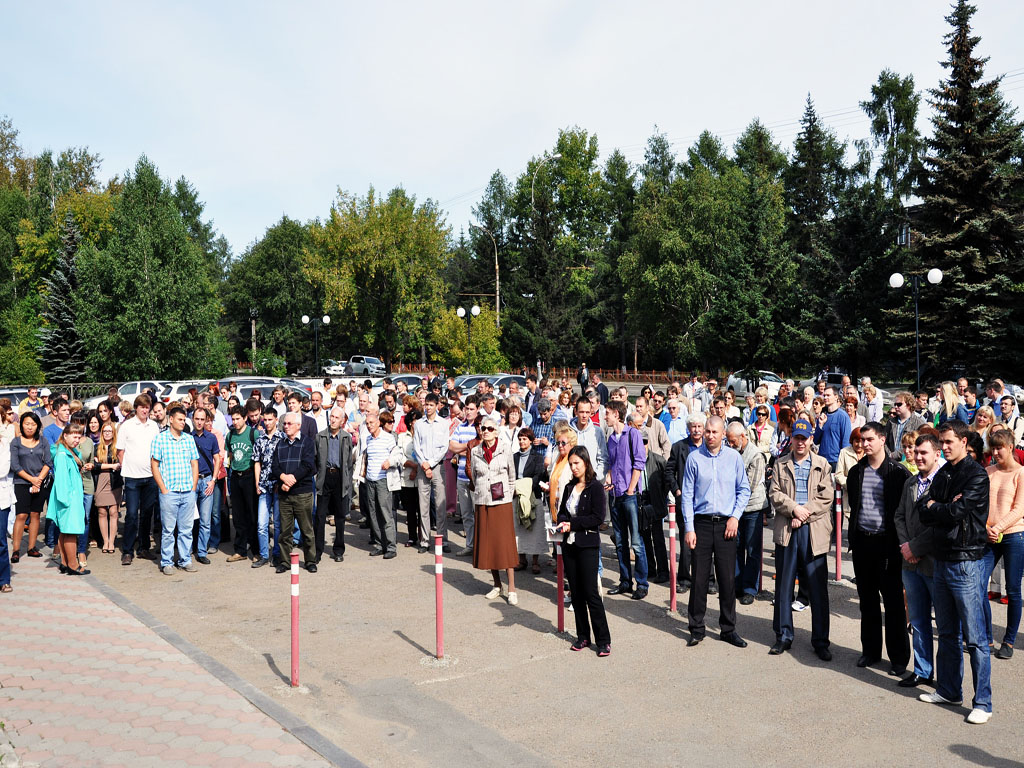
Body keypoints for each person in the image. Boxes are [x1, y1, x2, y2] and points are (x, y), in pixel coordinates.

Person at [918, 419, 992, 724]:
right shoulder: (944, 472)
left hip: (966, 561)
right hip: (942, 559)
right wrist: (940, 505)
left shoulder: (976, 475)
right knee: (947, 632)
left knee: (975, 638)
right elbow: (924, 509)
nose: (943, 447)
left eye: (948, 442)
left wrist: (940, 506)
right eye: (942, 442)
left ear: (964, 441)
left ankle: (983, 702)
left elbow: (956, 513)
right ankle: (949, 689)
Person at [846, 421, 911, 673]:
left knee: (893, 604)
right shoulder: (856, 471)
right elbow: (856, 505)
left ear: (883, 440)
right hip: (863, 543)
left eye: (870, 439)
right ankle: (870, 652)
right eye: (862, 440)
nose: (864, 444)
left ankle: (898, 659)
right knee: (868, 601)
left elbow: (904, 513)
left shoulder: (897, 473)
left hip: (888, 546)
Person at [681, 415, 751, 648]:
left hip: (726, 526)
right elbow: (687, 496)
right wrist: (689, 528)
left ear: (723, 434)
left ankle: (728, 628)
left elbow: (744, 490)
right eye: (707, 431)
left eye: (714, 432)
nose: (709, 435)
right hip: (700, 524)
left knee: (727, 579)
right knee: (699, 578)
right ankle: (696, 628)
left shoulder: (733, 458)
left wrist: (735, 517)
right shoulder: (694, 459)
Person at [767, 417, 834, 659]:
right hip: (787, 529)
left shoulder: (823, 464)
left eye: (804, 438)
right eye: (797, 437)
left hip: (813, 529)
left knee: (817, 588)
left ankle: (820, 641)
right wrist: (794, 508)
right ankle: (783, 635)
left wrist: (803, 515)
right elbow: (774, 494)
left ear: (811, 439)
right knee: (784, 585)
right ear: (792, 438)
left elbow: (826, 497)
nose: (800, 442)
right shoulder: (780, 464)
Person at [894, 432, 942, 688]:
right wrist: (905, 546)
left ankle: (945, 678)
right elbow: (899, 516)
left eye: (924, 453)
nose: (919, 457)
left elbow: (939, 524)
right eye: (916, 452)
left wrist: (916, 547)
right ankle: (922, 670)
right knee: (918, 620)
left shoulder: (945, 483)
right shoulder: (910, 482)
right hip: (909, 561)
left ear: (937, 454)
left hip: (933, 561)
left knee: (944, 625)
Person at [554, 445, 610, 656]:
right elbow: (561, 513)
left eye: (577, 463)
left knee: (591, 593)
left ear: (586, 462)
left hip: (588, 545)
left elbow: (597, 518)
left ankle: (603, 640)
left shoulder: (595, 487)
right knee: (576, 594)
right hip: (569, 545)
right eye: (571, 464)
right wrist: (561, 522)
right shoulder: (569, 487)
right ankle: (583, 636)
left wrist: (572, 524)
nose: (574, 467)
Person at [981, 428, 1024, 659]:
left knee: (1014, 589)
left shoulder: (1021, 473)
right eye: (993, 447)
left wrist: (998, 527)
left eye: (1000, 447)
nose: (995, 452)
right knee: (979, 586)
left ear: (1010, 447)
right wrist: (987, 527)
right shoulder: (988, 471)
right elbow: (981, 504)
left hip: (1014, 535)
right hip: (989, 535)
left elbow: (1019, 508)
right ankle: (986, 638)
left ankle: (1008, 641)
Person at [469, 415, 519, 603]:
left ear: (496, 431)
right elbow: (474, 476)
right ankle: (497, 584)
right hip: (483, 501)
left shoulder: (505, 449)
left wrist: (507, 494)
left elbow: (512, 476)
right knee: (490, 546)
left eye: (490, 428)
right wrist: (483, 491)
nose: (486, 432)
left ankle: (512, 587)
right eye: (483, 428)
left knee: (505, 545)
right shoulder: (475, 452)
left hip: (502, 502)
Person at [605, 400, 649, 600]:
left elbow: (639, 463)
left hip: (629, 495)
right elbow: (612, 464)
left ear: (616, 414)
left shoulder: (632, 434)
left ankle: (642, 583)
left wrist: (631, 489)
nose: (605, 416)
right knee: (621, 542)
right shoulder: (611, 439)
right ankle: (625, 581)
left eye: (607, 413)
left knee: (637, 542)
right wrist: (608, 477)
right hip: (614, 495)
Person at [150, 405, 199, 575]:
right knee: (168, 530)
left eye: (184, 420)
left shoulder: (189, 439)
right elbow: (154, 465)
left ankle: (185, 559)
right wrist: (163, 488)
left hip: (187, 491)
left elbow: (194, 463)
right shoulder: (160, 439)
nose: (182, 422)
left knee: (186, 529)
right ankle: (167, 561)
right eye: (180, 419)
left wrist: (193, 486)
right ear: (171, 419)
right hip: (169, 492)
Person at [726, 421, 768, 605]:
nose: (730, 444)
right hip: (735, 508)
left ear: (743, 437)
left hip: (752, 508)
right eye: (728, 441)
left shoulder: (756, 455)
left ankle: (750, 588)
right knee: (735, 547)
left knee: (751, 549)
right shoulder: (730, 452)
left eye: (733, 441)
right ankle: (736, 585)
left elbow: (749, 486)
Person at [117, 394, 160, 566]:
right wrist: (126, 467)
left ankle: (143, 548)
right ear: (136, 408)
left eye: (147, 407)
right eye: (142, 407)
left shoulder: (154, 426)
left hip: (150, 477)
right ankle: (127, 551)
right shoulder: (127, 426)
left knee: (147, 514)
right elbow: (120, 451)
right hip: (133, 478)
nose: (144, 410)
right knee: (132, 515)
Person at [271, 412, 317, 573]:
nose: (286, 426)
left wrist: (291, 480)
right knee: (285, 530)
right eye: (284, 424)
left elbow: (308, 466)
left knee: (306, 529)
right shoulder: (280, 444)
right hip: (284, 494)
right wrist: (283, 477)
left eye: (289, 423)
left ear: (298, 425)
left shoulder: (307, 442)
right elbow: (274, 466)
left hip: (302, 493)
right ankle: (284, 561)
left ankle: (311, 560)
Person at [48, 423, 89, 576]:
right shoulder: (62, 454)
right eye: (74, 436)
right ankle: (73, 564)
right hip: (68, 499)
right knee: (70, 531)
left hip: (70, 497)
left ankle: (65, 563)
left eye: (79, 437)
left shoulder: (67, 451)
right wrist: (66, 501)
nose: (77, 440)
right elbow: (63, 480)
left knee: (64, 532)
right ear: (65, 435)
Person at [315, 406, 353, 563]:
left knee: (339, 517)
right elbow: (316, 459)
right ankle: (317, 551)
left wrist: (347, 481)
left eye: (337, 417)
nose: (333, 420)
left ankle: (338, 550)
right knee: (320, 516)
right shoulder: (320, 436)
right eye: (331, 417)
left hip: (339, 478)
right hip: (325, 478)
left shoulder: (346, 437)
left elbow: (349, 462)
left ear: (343, 420)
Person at [413, 393, 450, 553]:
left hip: (438, 467)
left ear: (437, 406)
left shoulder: (443, 423)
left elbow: (444, 447)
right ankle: (425, 540)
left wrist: (431, 464)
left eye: (431, 405)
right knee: (423, 506)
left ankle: (443, 540)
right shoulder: (419, 424)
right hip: (422, 467)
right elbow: (416, 446)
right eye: (426, 405)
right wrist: (424, 464)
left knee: (441, 506)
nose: (428, 408)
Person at [225, 405, 260, 563]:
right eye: (233, 419)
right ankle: (240, 550)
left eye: (238, 418)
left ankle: (256, 550)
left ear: (245, 418)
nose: (235, 422)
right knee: (238, 516)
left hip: (249, 476)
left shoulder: (253, 434)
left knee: (252, 515)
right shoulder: (230, 435)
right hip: (235, 476)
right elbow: (230, 455)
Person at [362, 411, 398, 559]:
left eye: (372, 423)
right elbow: (366, 457)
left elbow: (397, 455)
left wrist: (389, 462)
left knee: (385, 513)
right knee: (373, 513)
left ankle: (391, 546)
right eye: (367, 423)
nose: (369, 426)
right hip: (370, 480)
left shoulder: (388, 438)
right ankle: (379, 544)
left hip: (383, 480)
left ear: (378, 423)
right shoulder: (368, 439)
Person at [190, 407, 223, 566]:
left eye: (202, 419)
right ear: (192, 418)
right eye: (197, 418)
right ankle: (188, 549)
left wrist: (214, 479)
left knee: (205, 520)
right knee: (188, 520)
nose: (199, 422)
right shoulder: (187, 437)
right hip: (191, 481)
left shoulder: (211, 438)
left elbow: (217, 459)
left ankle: (202, 552)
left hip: (207, 481)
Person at [512, 428, 547, 574]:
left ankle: (535, 561)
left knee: (535, 529)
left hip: (533, 495)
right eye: (520, 439)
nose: (522, 441)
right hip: (516, 496)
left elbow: (538, 476)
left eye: (525, 439)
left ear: (531, 441)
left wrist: (521, 486)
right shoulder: (514, 457)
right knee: (518, 528)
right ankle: (521, 559)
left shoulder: (538, 457)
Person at [450, 395, 480, 557]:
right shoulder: (460, 427)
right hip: (461, 476)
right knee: (467, 514)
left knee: (479, 514)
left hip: (476, 479)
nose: (468, 412)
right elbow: (452, 446)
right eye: (466, 408)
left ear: (478, 410)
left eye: (471, 409)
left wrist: (464, 451)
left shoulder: (481, 427)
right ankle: (470, 544)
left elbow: (480, 448)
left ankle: (480, 546)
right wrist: (469, 447)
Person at [93, 422, 122, 554]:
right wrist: (111, 466)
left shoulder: (118, 447)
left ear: (114, 433)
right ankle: (105, 541)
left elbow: (120, 465)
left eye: (110, 431)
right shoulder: (97, 448)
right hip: (101, 481)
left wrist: (102, 464)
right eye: (105, 431)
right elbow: (95, 466)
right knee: (102, 512)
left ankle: (112, 541)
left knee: (113, 512)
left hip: (115, 481)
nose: (107, 433)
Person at [813, 386, 851, 470]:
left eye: (828, 395)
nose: (825, 398)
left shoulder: (843, 416)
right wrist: (820, 425)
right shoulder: (822, 416)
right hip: (822, 459)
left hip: (835, 460)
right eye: (824, 395)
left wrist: (843, 462)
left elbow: (846, 442)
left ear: (836, 397)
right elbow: (815, 440)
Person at [0, 422, 13, 592]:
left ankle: (4, 579)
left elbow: (3, 469)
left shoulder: (4, 444)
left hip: (1, 499)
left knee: (1, 541)